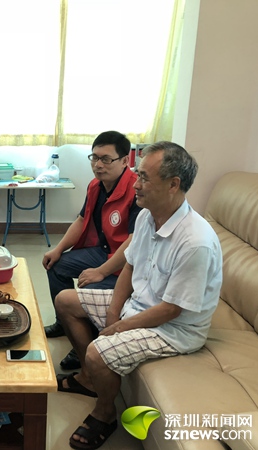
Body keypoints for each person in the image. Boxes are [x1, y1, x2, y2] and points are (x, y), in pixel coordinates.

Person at [55, 142, 223, 450]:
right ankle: (90, 379)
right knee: (66, 300)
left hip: (173, 330)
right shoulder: (147, 216)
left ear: (173, 184)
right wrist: (113, 312)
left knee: (98, 351)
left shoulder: (195, 241)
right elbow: (130, 265)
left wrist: (118, 327)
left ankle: (105, 414)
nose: (135, 183)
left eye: (144, 177)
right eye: (137, 173)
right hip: (140, 306)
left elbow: (171, 310)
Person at [43, 131, 141, 370]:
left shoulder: (136, 190)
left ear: (124, 161)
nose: (98, 165)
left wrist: (101, 271)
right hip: (104, 251)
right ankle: (64, 323)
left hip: (127, 263)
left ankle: (84, 349)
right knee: (56, 265)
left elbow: (134, 241)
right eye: (94, 158)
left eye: (106, 159)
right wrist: (58, 249)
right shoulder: (96, 186)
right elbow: (80, 220)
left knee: (90, 290)